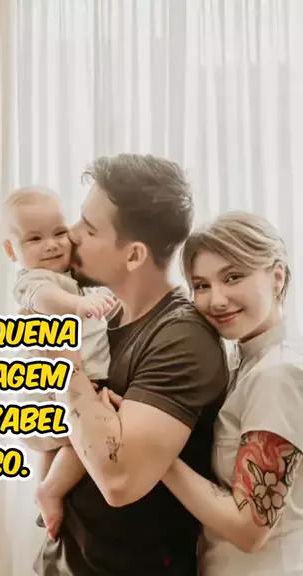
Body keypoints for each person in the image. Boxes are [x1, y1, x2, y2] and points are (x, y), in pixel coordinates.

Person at [33, 154, 229, 576]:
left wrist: (62, 356)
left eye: (89, 228)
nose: (71, 234)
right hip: (60, 560)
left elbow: (118, 481)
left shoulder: (182, 339)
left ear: (135, 255)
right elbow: (36, 430)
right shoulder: (99, 315)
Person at [151, 211, 303, 575]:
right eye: (201, 285)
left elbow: (248, 529)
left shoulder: (277, 375)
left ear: (277, 277)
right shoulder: (240, 364)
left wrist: (152, 453)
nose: (216, 300)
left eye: (233, 277)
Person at [2, 186, 115, 539]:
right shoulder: (35, 281)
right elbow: (45, 299)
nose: (51, 245)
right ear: (12, 251)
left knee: (58, 444)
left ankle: (46, 492)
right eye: (35, 238)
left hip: (62, 383)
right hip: (55, 387)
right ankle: (50, 491)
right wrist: (77, 305)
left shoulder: (72, 279)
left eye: (59, 233)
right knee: (81, 440)